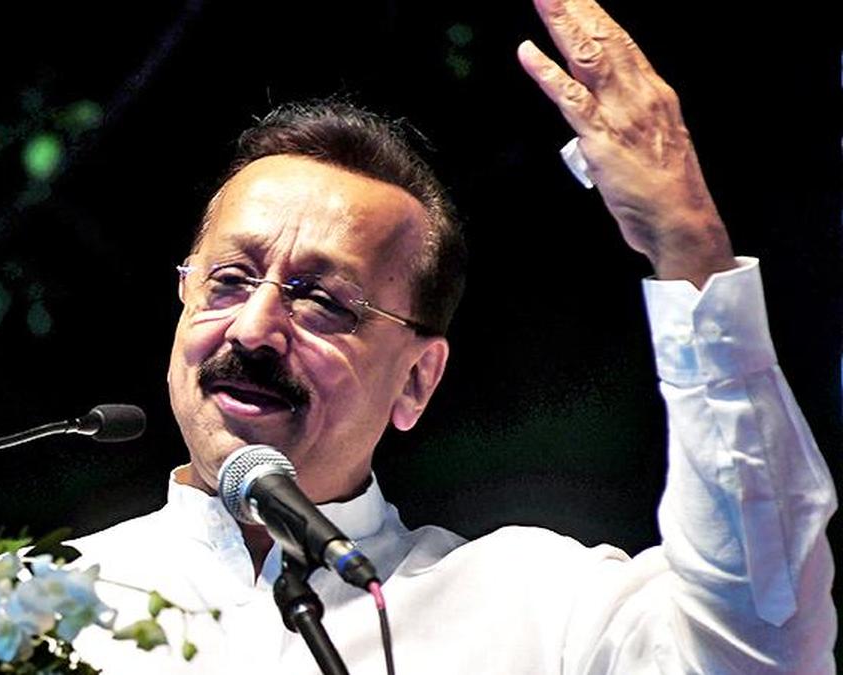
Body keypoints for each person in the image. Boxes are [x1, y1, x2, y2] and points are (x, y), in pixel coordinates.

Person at [68, 0, 837, 671]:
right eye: (230, 279)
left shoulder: (533, 606)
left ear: (416, 380)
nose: (255, 327)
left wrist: (691, 246)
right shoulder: (35, 601)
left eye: (322, 301)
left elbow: (763, 644)